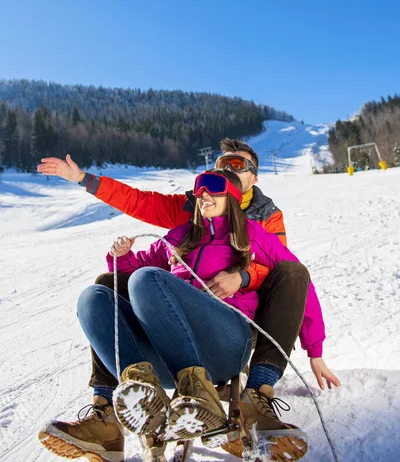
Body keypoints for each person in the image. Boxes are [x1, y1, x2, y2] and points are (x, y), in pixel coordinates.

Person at [37, 139, 340, 460]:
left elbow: (289, 279)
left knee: (149, 279)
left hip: (232, 329)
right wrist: (87, 183)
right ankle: (121, 404)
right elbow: (140, 202)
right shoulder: (183, 226)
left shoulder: (261, 224)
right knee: (100, 291)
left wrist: (313, 348)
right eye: (218, 168)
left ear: (251, 179)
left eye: (237, 166)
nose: (212, 185)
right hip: (173, 329)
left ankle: (256, 395)